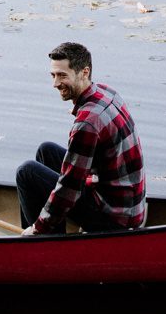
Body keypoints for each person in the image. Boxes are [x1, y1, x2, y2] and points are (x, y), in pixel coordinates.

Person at [17, 41, 147, 235]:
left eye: (62, 75)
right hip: (128, 204)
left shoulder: (87, 124)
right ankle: (54, 229)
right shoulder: (106, 92)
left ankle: (44, 238)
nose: (55, 83)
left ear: (84, 72)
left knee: (26, 173)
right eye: (53, 75)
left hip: (114, 220)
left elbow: (70, 187)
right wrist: (80, 111)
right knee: (46, 151)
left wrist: (38, 226)